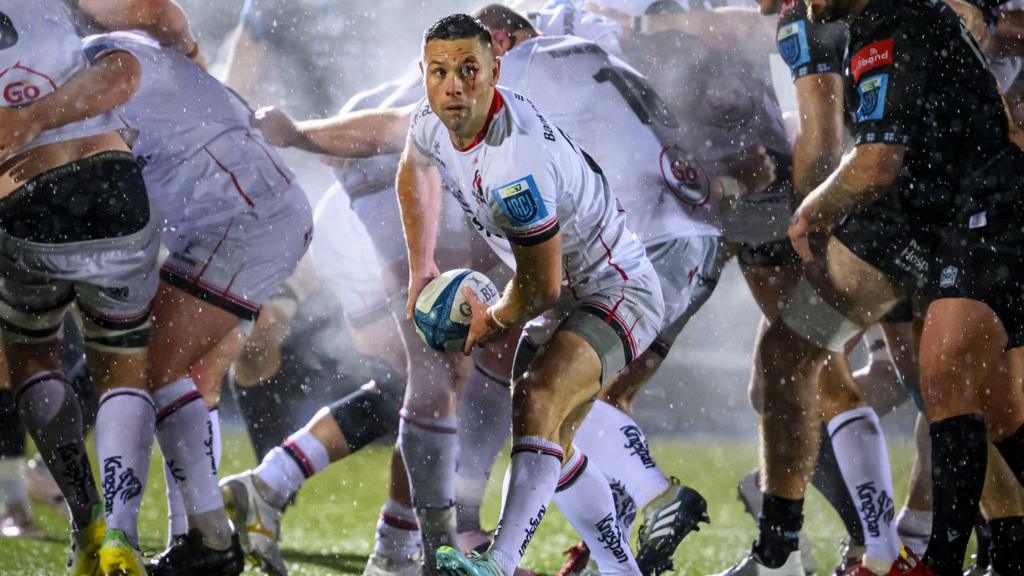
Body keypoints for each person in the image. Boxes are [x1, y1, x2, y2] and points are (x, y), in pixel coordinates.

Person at [710, 0, 1024, 574]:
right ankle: (995, 546)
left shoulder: (821, 21)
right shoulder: (918, 15)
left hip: (914, 207)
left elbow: (832, 143)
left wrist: (813, 219)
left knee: (790, 357)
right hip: (966, 202)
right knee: (956, 392)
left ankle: (783, 553)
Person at [77, 27, 313, 574]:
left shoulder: (103, 58)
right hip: (235, 218)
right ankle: (196, 537)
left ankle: (189, 541)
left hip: (240, 218)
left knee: (144, 366)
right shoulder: (103, 58)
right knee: (185, 374)